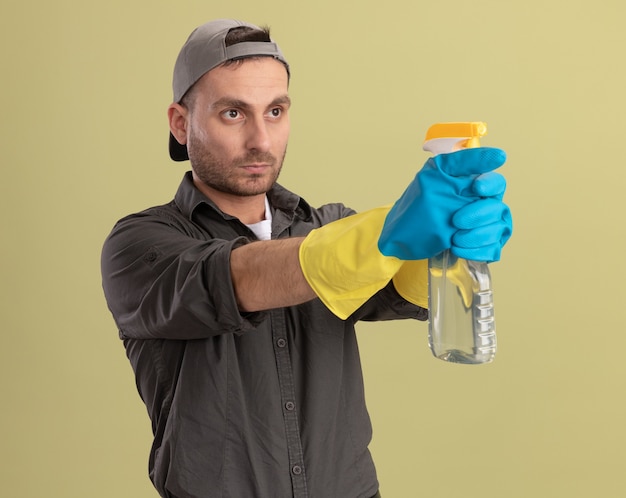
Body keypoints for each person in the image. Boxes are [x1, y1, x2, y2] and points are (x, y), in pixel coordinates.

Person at [101, 19, 512, 498]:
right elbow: (239, 278)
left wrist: (448, 242)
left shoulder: (328, 227)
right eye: (233, 114)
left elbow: (394, 286)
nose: (261, 140)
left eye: (275, 111)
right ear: (180, 122)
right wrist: (387, 233)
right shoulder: (140, 245)